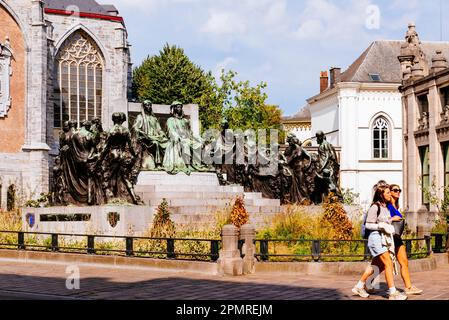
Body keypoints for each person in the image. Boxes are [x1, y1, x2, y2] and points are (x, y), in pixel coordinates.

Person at [352, 184, 408, 300]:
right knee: (388, 263)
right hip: (375, 239)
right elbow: (368, 224)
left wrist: (390, 220)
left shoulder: (386, 207)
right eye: (387, 193)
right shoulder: (375, 207)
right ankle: (393, 293)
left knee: (377, 265)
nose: (390, 195)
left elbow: (387, 219)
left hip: (383, 238)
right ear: (381, 194)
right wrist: (381, 226)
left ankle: (359, 286)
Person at [387, 184, 423, 295]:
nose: (398, 192)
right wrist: (392, 218)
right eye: (395, 190)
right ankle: (363, 284)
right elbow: (382, 219)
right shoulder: (387, 206)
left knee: (404, 262)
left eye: (399, 190)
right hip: (389, 238)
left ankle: (408, 287)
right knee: (380, 264)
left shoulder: (395, 205)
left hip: (397, 237)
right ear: (390, 192)